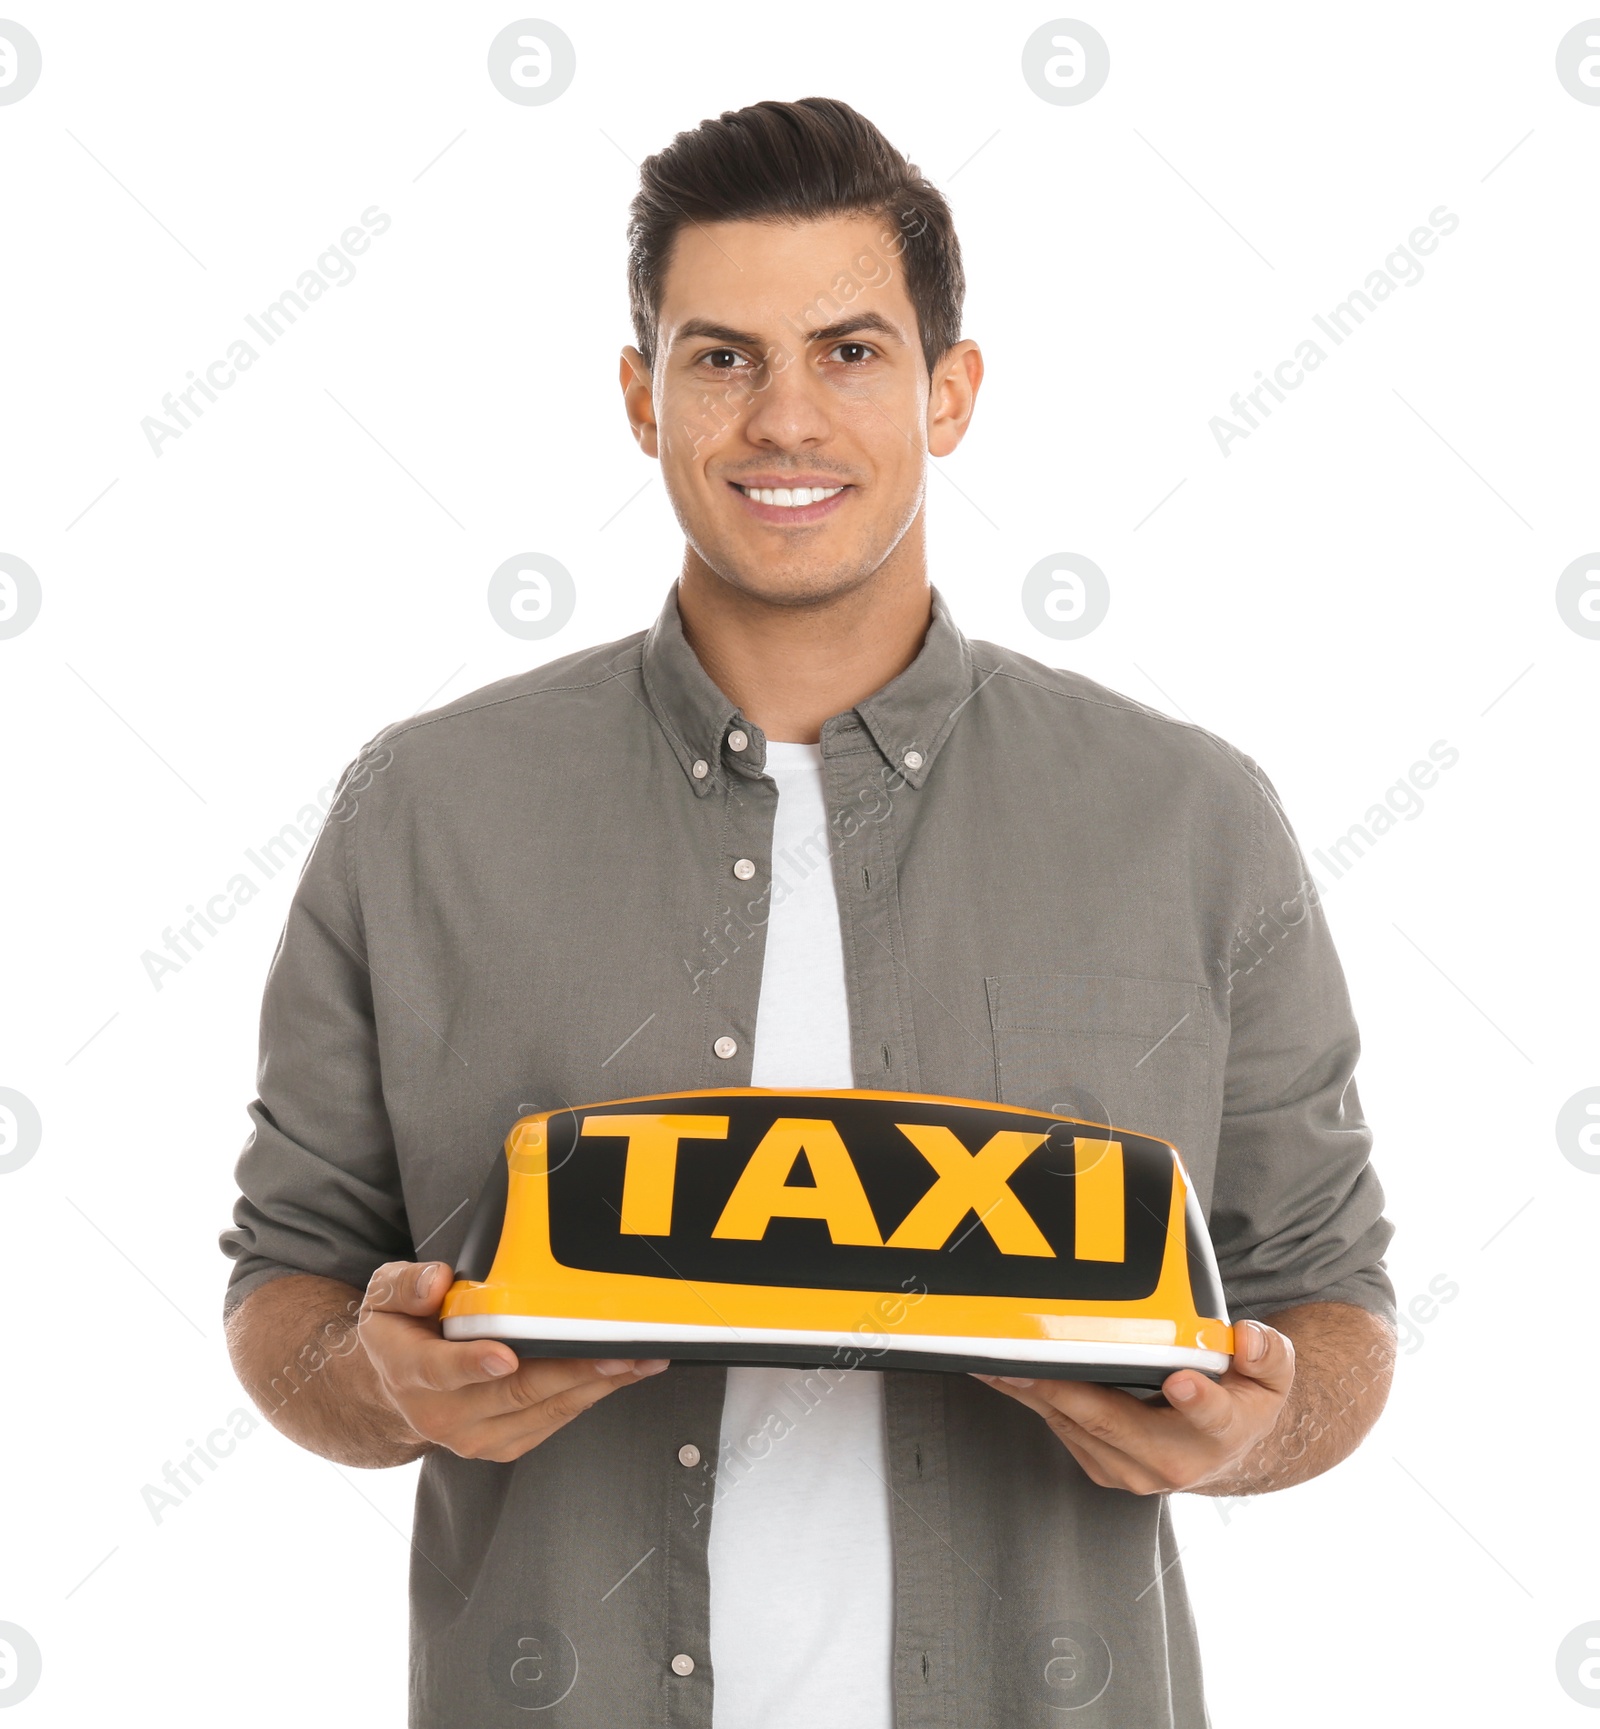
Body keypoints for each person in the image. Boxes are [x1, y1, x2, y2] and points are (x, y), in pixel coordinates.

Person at [222, 96, 1396, 1729]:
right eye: (721, 358)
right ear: (642, 397)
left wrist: (1253, 1428)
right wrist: (388, 1384)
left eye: (849, 351)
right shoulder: (421, 811)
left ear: (951, 392)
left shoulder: (1190, 818)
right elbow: (288, 1278)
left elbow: (1331, 1296)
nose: (785, 418)